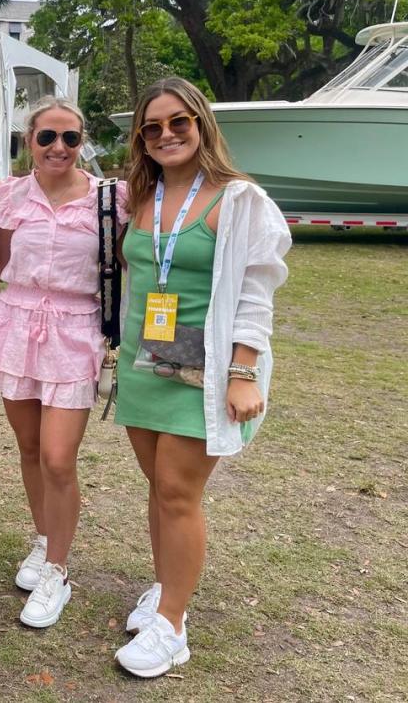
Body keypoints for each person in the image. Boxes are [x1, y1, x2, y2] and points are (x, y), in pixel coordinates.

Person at [113, 77, 291, 677]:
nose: (167, 135)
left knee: (178, 493)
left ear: (202, 123)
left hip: (206, 370)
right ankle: (168, 591)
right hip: (146, 366)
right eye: (153, 127)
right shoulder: (141, 196)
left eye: (179, 122)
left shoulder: (239, 201)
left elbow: (256, 294)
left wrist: (243, 372)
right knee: (159, 489)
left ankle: (172, 625)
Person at [0, 96, 127, 628]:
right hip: (17, 324)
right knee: (29, 447)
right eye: (48, 137)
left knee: (59, 458)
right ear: (30, 142)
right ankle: (44, 541)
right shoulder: (9, 197)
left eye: (70, 137)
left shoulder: (112, 199)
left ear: (82, 141)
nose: (60, 147)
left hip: (75, 329)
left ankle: (58, 571)